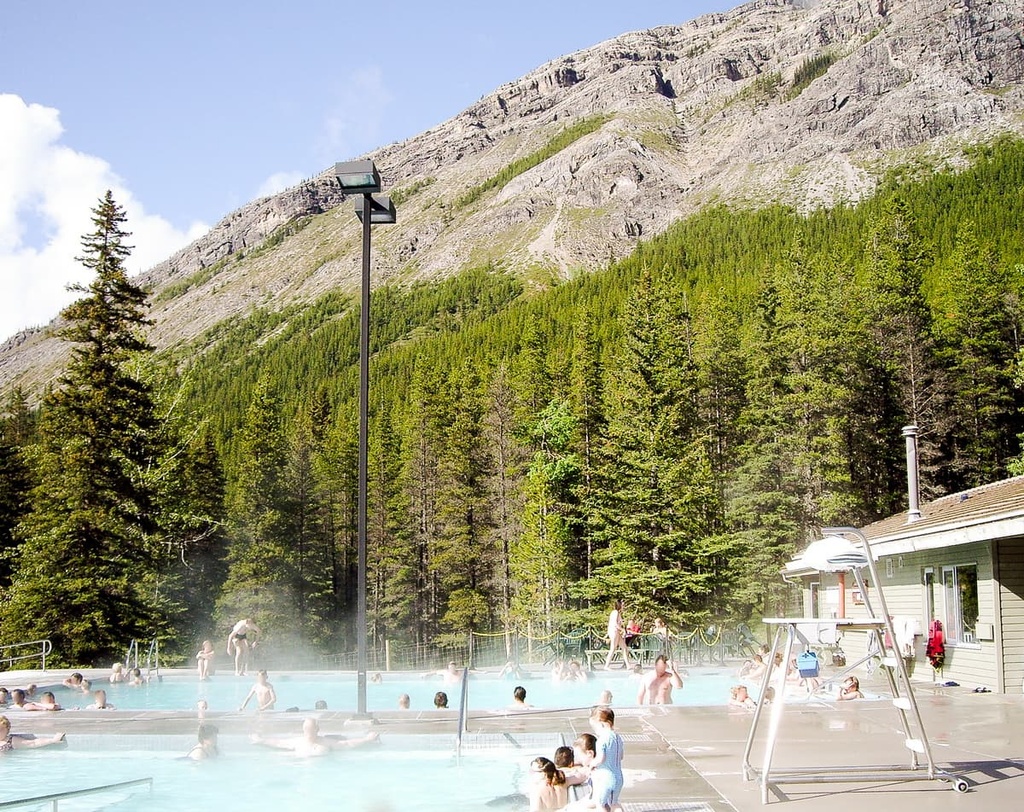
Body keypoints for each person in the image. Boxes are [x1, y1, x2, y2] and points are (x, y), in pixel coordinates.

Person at [252, 717, 378, 757]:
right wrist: (260, 740)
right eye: (307, 729)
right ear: (303, 730)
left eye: (311, 728)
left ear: (317, 730)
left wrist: (367, 739)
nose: (309, 731)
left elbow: (347, 744)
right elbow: (278, 743)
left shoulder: (326, 742)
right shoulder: (297, 742)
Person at [589, 706, 624, 811]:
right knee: (614, 804)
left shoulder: (602, 740)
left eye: (595, 728)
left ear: (601, 724)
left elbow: (601, 759)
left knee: (601, 804)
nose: (596, 731)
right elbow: (621, 756)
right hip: (619, 778)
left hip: (606, 779)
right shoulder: (618, 738)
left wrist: (592, 764)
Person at [0, 715, 65, 751]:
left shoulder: (11, 741)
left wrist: (53, 740)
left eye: (1, 729)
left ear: (7, 729)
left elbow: (33, 743)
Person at [603, 600, 633, 670]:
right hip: (614, 631)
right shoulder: (615, 612)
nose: (624, 606)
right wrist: (622, 630)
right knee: (613, 648)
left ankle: (628, 665)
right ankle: (606, 665)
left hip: (617, 632)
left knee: (624, 647)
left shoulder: (618, 613)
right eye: (623, 605)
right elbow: (615, 624)